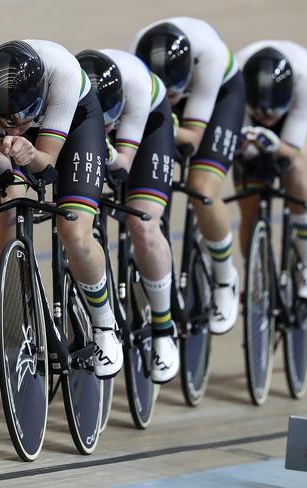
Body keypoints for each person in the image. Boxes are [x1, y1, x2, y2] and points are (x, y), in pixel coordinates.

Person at [0, 40, 122, 379]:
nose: (13, 124)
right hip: (27, 122)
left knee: (74, 231)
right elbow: (6, 178)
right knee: (5, 206)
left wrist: (27, 152)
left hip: (77, 121)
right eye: (4, 119)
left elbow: (47, 167)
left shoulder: (62, 74)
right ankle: (19, 313)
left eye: (21, 117)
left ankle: (105, 325)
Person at [131, 17, 245, 334]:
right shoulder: (138, 58)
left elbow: (193, 137)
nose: (171, 101)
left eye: (175, 95)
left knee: (201, 189)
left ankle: (225, 278)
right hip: (159, 99)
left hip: (221, 96)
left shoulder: (210, 57)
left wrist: (162, 129)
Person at [76, 49, 179, 383]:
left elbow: (122, 165)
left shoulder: (135, 88)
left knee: (142, 222)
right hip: (83, 121)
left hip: (148, 123)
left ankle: (164, 329)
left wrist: (106, 151)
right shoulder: (69, 95)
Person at [234, 40, 307, 300]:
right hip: (247, 104)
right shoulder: (234, 82)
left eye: (274, 113)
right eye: (261, 113)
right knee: (249, 200)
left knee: (295, 166)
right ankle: (255, 273)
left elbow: (291, 149)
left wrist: (278, 147)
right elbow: (238, 147)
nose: (269, 118)